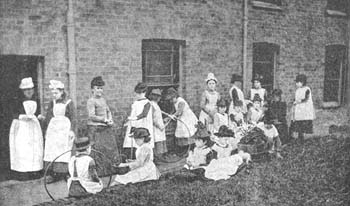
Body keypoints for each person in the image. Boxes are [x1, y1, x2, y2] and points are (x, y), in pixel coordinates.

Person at [9, 77, 43, 180]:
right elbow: (13, 113)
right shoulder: (17, 101)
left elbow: (37, 113)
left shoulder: (36, 99)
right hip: (22, 126)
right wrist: (22, 117)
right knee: (23, 148)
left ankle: (35, 171)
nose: (29, 92)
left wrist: (39, 116)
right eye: (26, 90)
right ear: (22, 91)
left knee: (34, 148)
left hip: (33, 126)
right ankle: (23, 173)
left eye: (31, 89)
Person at [43, 80, 76, 183]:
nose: (54, 95)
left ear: (62, 92)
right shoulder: (52, 103)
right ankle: (52, 174)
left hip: (64, 129)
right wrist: (46, 130)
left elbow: (73, 117)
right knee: (53, 149)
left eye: (56, 93)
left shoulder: (69, 102)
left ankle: (66, 173)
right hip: (54, 129)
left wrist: (72, 130)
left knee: (64, 149)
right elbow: (49, 116)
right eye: (52, 93)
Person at [87, 76, 120, 176]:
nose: (100, 90)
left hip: (105, 127)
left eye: (101, 88)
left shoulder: (103, 100)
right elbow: (91, 116)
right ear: (93, 89)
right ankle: (100, 172)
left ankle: (110, 169)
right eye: (98, 88)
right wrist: (104, 120)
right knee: (98, 149)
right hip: (96, 128)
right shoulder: (91, 101)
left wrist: (110, 120)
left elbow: (108, 111)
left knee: (110, 148)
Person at [123, 83, 154, 159]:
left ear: (145, 93)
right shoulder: (136, 103)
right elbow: (133, 113)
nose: (138, 95)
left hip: (143, 124)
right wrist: (129, 122)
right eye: (137, 93)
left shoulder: (147, 103)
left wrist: (135, 118)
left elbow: (144, 114)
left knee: (142, 142)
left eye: (141, 93)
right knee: (131, 142)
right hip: (134, 124)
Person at [291, 74, 315, 143]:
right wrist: (294, 102)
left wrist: (298, 101)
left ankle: (303, 138)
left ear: (302, 82)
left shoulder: (307, 89)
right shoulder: (298, 90)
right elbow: (295, 98)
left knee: (304, 122)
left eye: (298, 82)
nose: (296, 84)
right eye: (296, 83)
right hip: (299, 109)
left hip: (305, 109)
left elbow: (306, 98)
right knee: (299, 122)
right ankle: (300, 136)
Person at [149, 88, 168, 158]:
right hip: (156, 128)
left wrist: (163, 120)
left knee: (160, 140)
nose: (160, 98)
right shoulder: (152, 105)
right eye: (159, 97)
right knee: (157, 142)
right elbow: (151, 118)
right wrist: (159, 126)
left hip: (160, 127)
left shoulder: (156, 105)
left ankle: (160, 157)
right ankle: (158, 158)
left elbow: (157, 116)